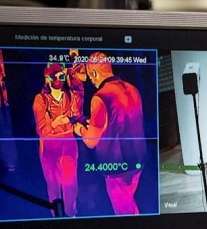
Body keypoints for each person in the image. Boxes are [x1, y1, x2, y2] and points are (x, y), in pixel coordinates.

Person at [74, 52, 147, 216]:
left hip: (117, 168)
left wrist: (79, 129)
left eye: (90, 76)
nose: (91, 81)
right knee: (129, 202)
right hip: (138, 161)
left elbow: (91, 141)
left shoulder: (100, 96)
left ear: (94, 73)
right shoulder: (132, 89)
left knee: (124, 213)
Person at [32, 63, 79, 217]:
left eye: (62, 76)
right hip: (49, 148)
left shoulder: (69, 96)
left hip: (69, 146)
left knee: (70, 184)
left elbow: (75, 116)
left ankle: (71, 214)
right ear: (48, 79)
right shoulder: (40, 99)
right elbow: (42, 130)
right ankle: (56, 216)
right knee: (53, 185)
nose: (60, 79)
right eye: (56, 76)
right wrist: (56, 123)